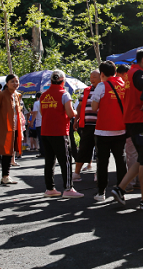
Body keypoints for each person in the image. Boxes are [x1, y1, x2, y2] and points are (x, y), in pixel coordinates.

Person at [111, 48, 143, 210]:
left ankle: (121, 188)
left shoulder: (130, 73)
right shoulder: (138, 73)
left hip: (136, 121)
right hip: (141, 121)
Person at [40, 70, 83, 198]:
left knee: (49, 161)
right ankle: (68, 188)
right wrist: (76, 112)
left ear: (51, 81)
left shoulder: (43, 95)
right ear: (63, 81)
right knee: (66, 161)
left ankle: (50, 188)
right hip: (59, 131)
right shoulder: (64, 94)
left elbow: (43, 113)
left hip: (45, 131)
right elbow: (70, 113)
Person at [92, 61, 128, 201]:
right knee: (121, 161)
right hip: (121, 129)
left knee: (102, 162)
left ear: (102, 74)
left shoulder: (102, 86)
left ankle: (101, 193)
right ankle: (121, 191)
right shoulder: (123, 84)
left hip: (103, 130)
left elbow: (94, 107)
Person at [0, 74, 22, 185]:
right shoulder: (1, 95)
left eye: (16, 81)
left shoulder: (16, 95)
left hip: (15, 126)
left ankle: (6, 175)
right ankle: (5, 176)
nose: (15, 83)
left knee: (11, 150)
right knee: (6, 150)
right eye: (12, 81)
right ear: (7, 83)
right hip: (5, 126)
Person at [73, 70, 100, 181]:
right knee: (83, 149)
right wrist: (76, 119)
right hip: (87, 124)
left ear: (101, 77)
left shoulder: (104, 89)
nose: (92, 79)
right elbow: (80, 106)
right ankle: (76, 172)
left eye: (94, 77)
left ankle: (99, 173)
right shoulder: (86, 90)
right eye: (91, 77)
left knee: (100, 150)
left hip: (100, 125)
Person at [29, 92, 45, 158]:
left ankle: (42, 153)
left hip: (39, 123)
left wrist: (31, 122)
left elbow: (35, 113)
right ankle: (47, 152)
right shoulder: (45, 102)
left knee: (40, 139)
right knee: (46, 139)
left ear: (37, 97)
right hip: (46, 123)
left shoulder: (36, 103)